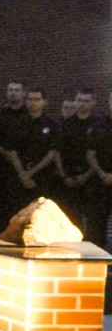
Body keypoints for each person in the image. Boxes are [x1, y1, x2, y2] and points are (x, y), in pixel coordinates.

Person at [57, 88, 99, 234]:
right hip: (69, 176)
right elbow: (58, 152)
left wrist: (87, 175)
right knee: (71, 219)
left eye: (86, 101)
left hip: (91, 177)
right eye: (79, 100)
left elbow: (100, 154)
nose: (82, 104)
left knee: (93, 221)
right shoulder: (66, 124)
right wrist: (64, 176)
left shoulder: (98, 125)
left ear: (93, 102)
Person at [0, 81, 30, 223]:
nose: (13, 92)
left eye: (17, 90)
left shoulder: (29, 115)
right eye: (10, 90)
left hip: (23, 167)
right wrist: (3, 152)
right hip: (0, 167)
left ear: (23, 93)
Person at [14, 88, 61, 207]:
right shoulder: (18, 124)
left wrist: (31, 173)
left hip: (43, 176)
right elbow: (12, 151)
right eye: (30, 99)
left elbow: (51, 154)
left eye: (37, 99)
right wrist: (23, 174)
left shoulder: (52, 125)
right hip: (19, 175)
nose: (33, 102)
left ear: (44, 102)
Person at [84, 91, 112, 248]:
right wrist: (102, 174)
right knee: (96, 226)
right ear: (109, 102)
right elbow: (90, 154)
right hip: (99, 182)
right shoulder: (98, 126)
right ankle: (95, 262)